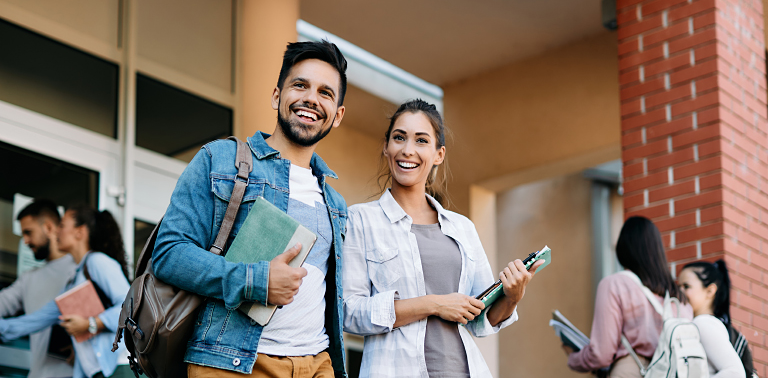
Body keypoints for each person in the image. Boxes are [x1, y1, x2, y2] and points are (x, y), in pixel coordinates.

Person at [152, 40, 348, 377]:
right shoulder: (221, 160)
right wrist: (255, 280)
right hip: (232, 363)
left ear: (338, 115)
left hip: (317, 363)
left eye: (325, 93)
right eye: (300, 85)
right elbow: (169, 254)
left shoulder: (336, 203)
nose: (311, 99)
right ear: (277, 96)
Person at [343, 99, 543, 378]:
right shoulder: (360, 220)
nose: (407, 150)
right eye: (399, 138)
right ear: (386, 147)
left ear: (438, 154)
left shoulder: (463, 228)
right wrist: (433, 304)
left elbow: (480, 319)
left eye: (421, 140)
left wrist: (512, 297)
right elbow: (349, 312)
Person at [0, 205, 132, 378]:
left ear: (80, 232)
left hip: (119, 368)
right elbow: (34, 321)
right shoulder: (73, 281)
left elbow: (130, 307)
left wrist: (90, 324)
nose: (56, 232)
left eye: (62, 226)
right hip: (98, 373)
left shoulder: (97, 262)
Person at [564, 216, 693, 378]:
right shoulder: (679, 297)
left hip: (632, 370)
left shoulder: (614, 284)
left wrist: (574, 358)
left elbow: (602, 355)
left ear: (624, 248)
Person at [0, 200, 76, 378]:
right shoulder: (28, 278)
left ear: (49, 227)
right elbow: (4, 302)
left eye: (28, 232)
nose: (25, 241)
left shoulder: (79, 270)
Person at [679, 260, 747, 377]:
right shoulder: (708, 323)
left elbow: (735, 373)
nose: (680, 292)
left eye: (686, 286)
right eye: (678, 287)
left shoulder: (702, 323)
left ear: (710, 290)